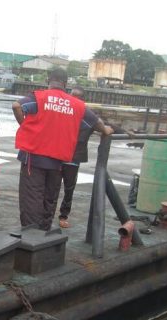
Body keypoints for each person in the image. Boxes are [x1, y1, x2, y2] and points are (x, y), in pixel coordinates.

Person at [12, 68, 85, 230]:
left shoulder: (38, 97)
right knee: (49, 198)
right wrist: (107, 130)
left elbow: (16, 105)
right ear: (65, 84)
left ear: (48, 81)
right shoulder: (77, 104)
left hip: (33, 158)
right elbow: (95, 121)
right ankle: (44, 232)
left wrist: (25, 126)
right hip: (57, 162)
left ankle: (31, 237)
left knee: (32, 198)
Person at [58, 87, 114, 228]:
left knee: (69, 188)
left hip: (74, 157)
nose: (73, 100)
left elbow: (103, 124)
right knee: (51, 187)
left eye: (76, 97)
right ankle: (46, 215)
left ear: (82, 100)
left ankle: (63, 216)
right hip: (57, 155)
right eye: (71, 96)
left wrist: (122, 131)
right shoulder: (63, 111)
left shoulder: (88, 115)